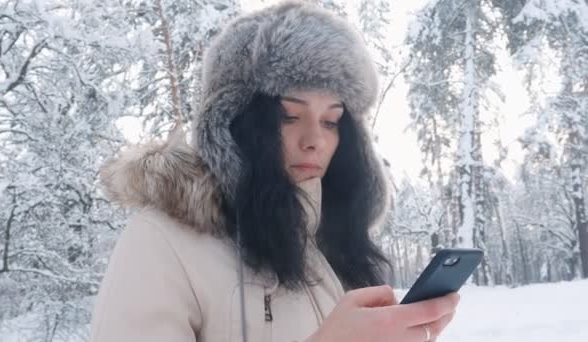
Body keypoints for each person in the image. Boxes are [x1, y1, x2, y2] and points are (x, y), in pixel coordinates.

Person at [89, 1, 460, 341]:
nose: (314, 139)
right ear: (234, 120)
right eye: (289, 116)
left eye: (332, 121)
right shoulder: (162, 241)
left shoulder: (339, 246)